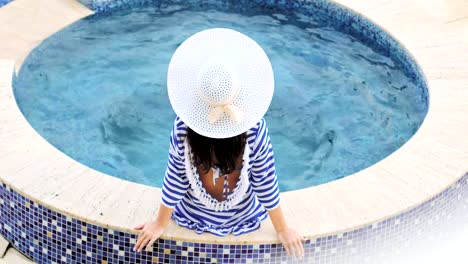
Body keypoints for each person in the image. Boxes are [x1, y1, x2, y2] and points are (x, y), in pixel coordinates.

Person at [133, 28, 305, 258]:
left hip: (228, 217)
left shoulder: (245, 130)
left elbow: (177, 177)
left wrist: (283, 229)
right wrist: (160, 223)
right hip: (204, 216)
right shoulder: (190, 129)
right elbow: (177, 177)